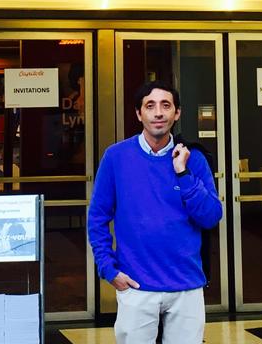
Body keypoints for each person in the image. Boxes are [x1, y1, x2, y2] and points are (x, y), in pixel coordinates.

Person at [88, 80, 222, 344]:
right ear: (139, 114)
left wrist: (183, 173)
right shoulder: (116, 157)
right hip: (136, 285)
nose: (158, 112)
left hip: (187, 284)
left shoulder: (193, 159)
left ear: (177, 113)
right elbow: (97, 217)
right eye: (150, 106)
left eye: (166, 105)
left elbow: (210, 217)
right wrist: (107, 268)